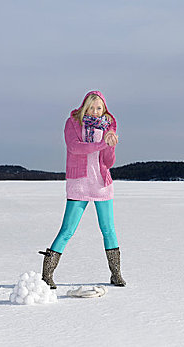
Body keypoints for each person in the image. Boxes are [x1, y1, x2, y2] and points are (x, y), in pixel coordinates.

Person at [39, 90, 126, 289]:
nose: (96, 112)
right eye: (92, 107)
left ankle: (116, 274)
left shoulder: (108, 127)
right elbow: (75, 147)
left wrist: (110, 146)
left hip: (102, 183)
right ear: (84, 107)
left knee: (108, 230)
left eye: (99, 108)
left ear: (104, 109)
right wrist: (103, 142)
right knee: (67, 230)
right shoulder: (73, 124)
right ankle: (47, 274)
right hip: (79, 183)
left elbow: (108, 162)